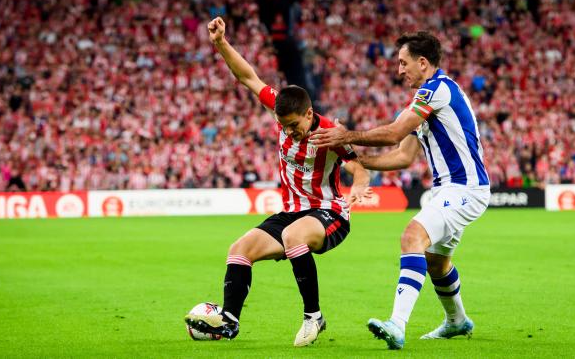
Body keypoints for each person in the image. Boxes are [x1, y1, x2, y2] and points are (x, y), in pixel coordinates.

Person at [184, 17, 371, 347]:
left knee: (292, 235)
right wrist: (220, 43)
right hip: (293, 213)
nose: (288, 131)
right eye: (282, 125)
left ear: (310, 114)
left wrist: (357, 187)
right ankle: (229, 320)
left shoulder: (330, 133)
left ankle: (313, 316)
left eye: (294, 125)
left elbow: (358, 167)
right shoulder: (280, 108)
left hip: (330, 215)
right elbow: (248, 77)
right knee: (239, 249)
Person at [311, 31, 491, 349]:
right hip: (448, 190)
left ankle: (397, 324)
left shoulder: (437, 90)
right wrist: (354, 158)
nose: (399, 70)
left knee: (412, 237)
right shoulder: (424, 100)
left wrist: (345, 135)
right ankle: (457, 321)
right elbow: (403, 156)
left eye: (403, 62)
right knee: (436, 262)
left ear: (423, 62)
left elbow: (394, 133)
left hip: (465, 187)